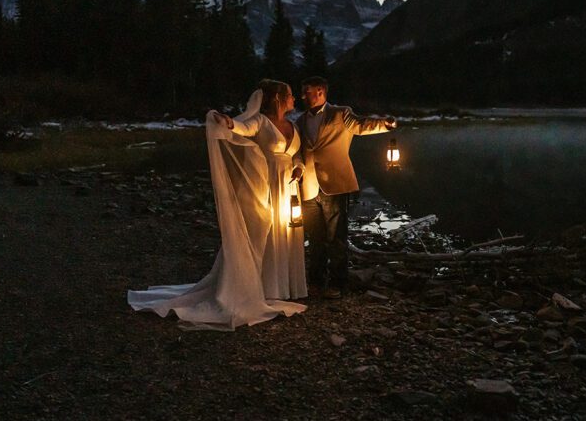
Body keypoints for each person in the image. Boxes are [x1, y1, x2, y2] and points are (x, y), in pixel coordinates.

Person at [127, 80, 306, 330]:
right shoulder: (262, 122)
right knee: (264, 232)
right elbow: (243, 128)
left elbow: (296, 153)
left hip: (288, 185)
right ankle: (261, 287)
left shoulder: (293, 126)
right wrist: (229, 123)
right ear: (277, 98)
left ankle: (284, 286)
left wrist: (299, 167)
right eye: (289, 95)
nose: (294, 98)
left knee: (286, 231)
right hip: (263, 184)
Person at [298, 76, 396, 298]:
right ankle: (315, 282)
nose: (302, 96)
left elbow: (361, 125)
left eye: (307, 91)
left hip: (335, 184)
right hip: (308, 186)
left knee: (337, 238)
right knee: (315, 238)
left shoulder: (340, 114)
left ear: (321, 91)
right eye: (303, 92)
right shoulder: (301, 120)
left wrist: (385, 124)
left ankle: (337, 284)